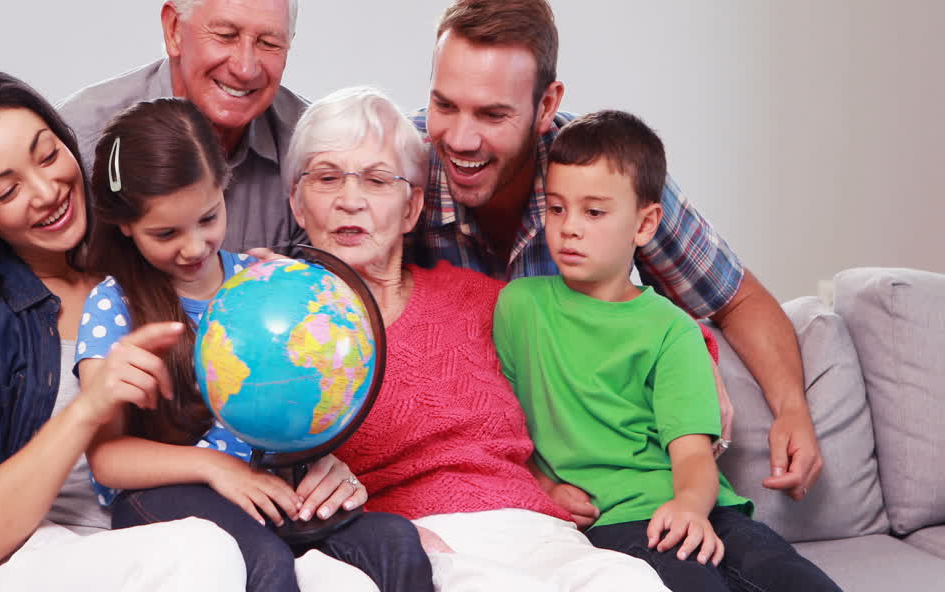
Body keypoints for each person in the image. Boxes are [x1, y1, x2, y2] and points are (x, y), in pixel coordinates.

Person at [409, 0, 823, 505]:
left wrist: (791, 410)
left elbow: (736, 298)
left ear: (546, 106)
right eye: (445, 105)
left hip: (619, 483)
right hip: (483, 475)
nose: (462, 139)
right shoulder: (395, 172)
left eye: (493, 115)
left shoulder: (603, 174)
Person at [0, 69, 247, 591]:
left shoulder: (155, 264)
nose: (47, 191)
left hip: (149, 536)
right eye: (7, 189)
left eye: (47, 155)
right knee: (203, 551)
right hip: (28, 561)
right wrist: (89, 409)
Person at [285, 87, 669, 591]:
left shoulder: (482, 300)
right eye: (326, 177)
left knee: (630, 580)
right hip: (411, 544)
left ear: (411, 208)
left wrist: (697, 357)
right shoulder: (282, 330)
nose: (349, 200)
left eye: (378, 180)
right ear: (296, 201)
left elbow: (605, 327)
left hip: (538, 530)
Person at [74, 97, 432, 592]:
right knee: (259, 561)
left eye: (208, 218)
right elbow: (107, 457)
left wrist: (319, 460)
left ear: (225, 190)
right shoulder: (113, 305)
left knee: (395, 540)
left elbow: (310, 391)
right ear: (125, 226)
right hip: (164, 493)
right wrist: (215, 468)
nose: (195, 247)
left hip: (264, 486)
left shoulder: (260, 280)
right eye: (165, 233)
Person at [493, 110, 841, 592]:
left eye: (593, 212)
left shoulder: (672, 330)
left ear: (645, 224)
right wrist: (547, 487)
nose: (569, 227)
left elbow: (694, 455)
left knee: (800, 581)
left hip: (705, 507)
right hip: (615, 525)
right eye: (556, 208)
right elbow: (505, 429)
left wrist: (690, 508)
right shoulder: (518, 308)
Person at [60, 0, 307, 254]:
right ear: (174, 29)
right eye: (226, 35)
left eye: (269, 43)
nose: (246, 68)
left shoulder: (312, 149)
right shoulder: (81, 141)